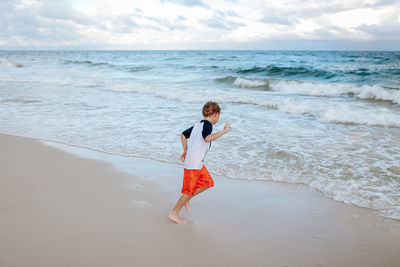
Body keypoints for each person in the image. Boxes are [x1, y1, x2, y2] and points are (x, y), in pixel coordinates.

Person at [168, 101, 231, 224]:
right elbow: (207, 138)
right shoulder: (207, 125)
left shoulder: (198, 125)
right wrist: (223, 132)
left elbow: (182, 135)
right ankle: (173, 213)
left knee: (207, 183)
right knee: (188, 191)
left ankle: (187, 198)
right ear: (216, 114)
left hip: (197, 164)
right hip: (193, 166)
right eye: (219, 116)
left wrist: (185, 150)